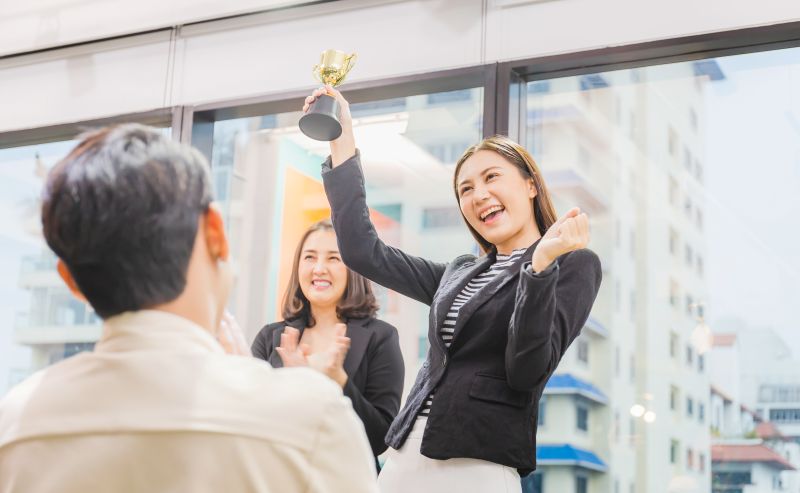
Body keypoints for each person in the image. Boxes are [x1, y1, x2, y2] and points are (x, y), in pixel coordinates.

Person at [0, 124, 377, 493]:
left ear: (70, 280)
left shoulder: (14, 427)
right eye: (310, 256)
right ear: (215, 231)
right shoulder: (313, 421)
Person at [302, 87, 603, 492]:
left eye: (492, 177)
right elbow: (362, 252)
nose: (479, 195)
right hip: (405, 456)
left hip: (479, 462)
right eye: (465, 189)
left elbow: (527, 371)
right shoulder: (459, 272)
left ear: (531, 185)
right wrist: (342, 139)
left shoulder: (573, 264)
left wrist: (539, 266)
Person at [252, 219, 404, 467]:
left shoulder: (381, 337)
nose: (319, 268)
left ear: (353, 268)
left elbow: (380, 438)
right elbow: (252, 419)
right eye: (310, 257)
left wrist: (339, 380)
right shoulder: (270, 338)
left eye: (334, 258)